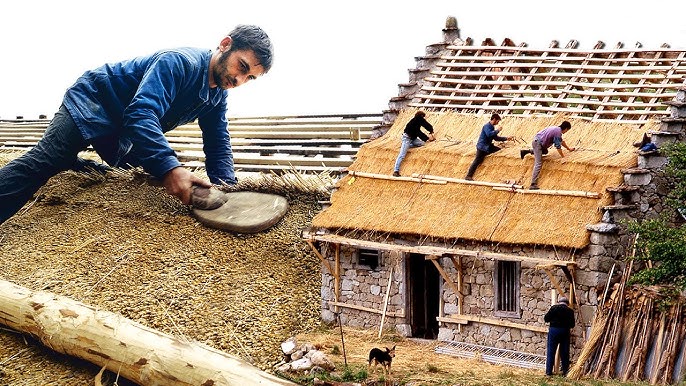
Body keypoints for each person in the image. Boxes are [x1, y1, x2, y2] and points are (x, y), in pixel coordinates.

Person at [0, 25, 274, 225]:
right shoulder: (179, 63)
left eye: (249, 78)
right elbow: (141, 113)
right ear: (225, 44)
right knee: (46, 159)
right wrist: (171, 168)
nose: (239, 80)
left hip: (121, 130)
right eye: (241, 66)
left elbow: (217, 141)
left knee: (129, 167)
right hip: (93, 101)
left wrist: (226, 188)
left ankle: (76, 164)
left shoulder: (217, 96)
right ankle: (64, 158)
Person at [520, 121, 575, 190]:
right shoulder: (558, 132)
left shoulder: (556, 129)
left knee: (545, 151)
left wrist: (568, 149)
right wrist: (563, 157)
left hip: (538, 143)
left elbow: (561, 141)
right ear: (566, 128)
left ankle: (526, 152)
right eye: (567, 130)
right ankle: (533, 184)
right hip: (538, 144)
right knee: (538, 163)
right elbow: (558, 146)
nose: (566, 132)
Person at [464, 113, 513, 180]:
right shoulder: (486, 126)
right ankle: (468, 176)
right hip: (482, 147)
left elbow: (496, 138)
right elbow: (489, 134)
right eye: (498, 121)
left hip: (487, 146)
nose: (498, 123)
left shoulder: (492, 127)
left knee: (499, 150)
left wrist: (506, 138)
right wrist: (498, 130)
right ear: (494, 119)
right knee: (477, 161)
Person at [392, 111, 435, 177]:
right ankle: (396, 170)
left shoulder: (418, 120)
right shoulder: (414, 122)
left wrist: (431, 130)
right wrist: (427, 138)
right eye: (423, 117)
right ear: (421, 116)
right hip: (407, 138)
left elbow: (426, 124)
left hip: (413, 139)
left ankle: (406, 146)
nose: (423, 119)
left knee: (422, 144)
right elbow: (418, 132)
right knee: (402, 155)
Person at [544, 296, 575, 376]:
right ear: (567, 304)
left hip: (554, 330)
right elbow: (572, 325)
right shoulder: (570, 311)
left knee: (551, 351)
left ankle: (548, 372)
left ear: (559, 302)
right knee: (564, 352)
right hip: (565, 331)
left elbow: (546, 319)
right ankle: (565, 372)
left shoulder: (554, 308)